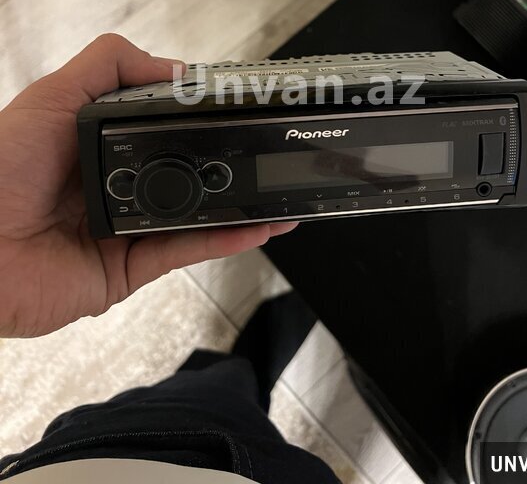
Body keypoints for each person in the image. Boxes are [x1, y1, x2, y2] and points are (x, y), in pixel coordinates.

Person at [0, 34, 341, 483]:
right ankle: (241, 374)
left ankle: (240, 372)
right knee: (212, 396)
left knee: (207, 394)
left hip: (101, 457)